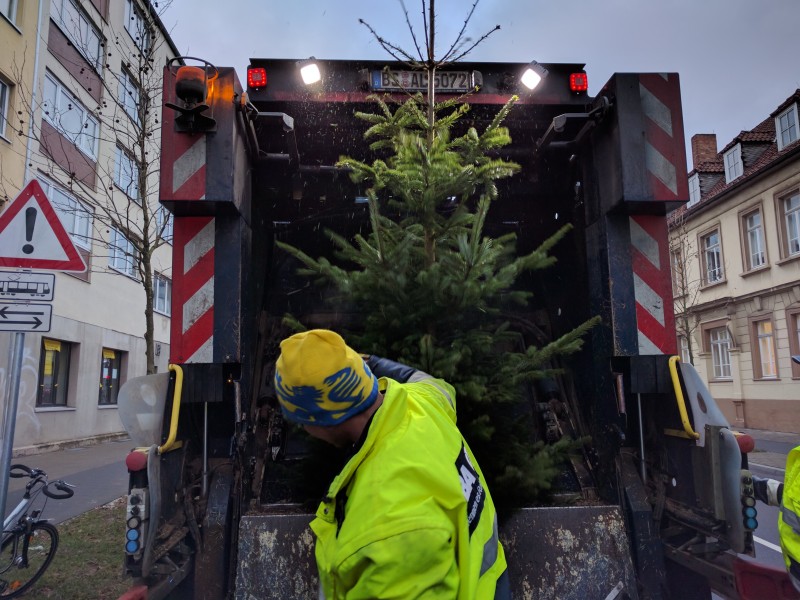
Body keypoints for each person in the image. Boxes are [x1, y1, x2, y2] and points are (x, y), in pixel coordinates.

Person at [274, 329, 510, 599]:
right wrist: (370, 363)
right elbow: (434, 384)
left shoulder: (387, 522)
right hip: (491, 583)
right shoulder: (423, 402)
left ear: (316, 421)